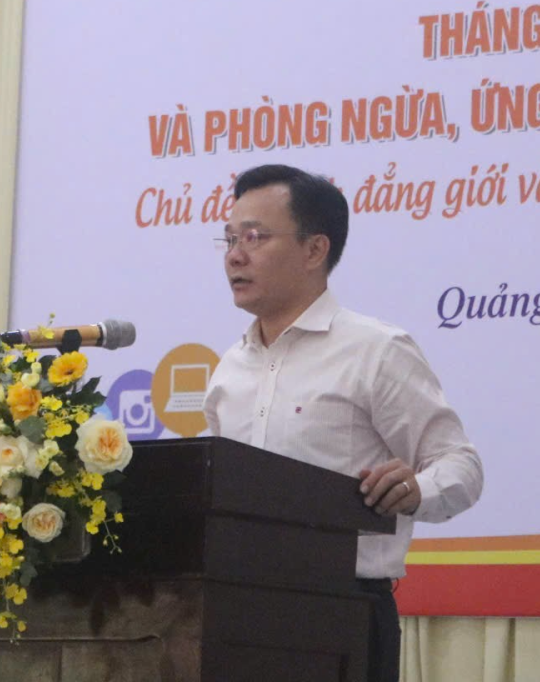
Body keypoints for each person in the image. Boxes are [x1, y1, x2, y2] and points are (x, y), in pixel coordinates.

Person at [202, 164, 483, 682]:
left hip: (342, 614)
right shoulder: (228, 371)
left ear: (315, 250)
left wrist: (417, 490)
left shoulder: (375, 351)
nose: (235, 255)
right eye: (230, 238)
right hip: (235, 613)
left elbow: (462, 466)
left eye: (255, 237)